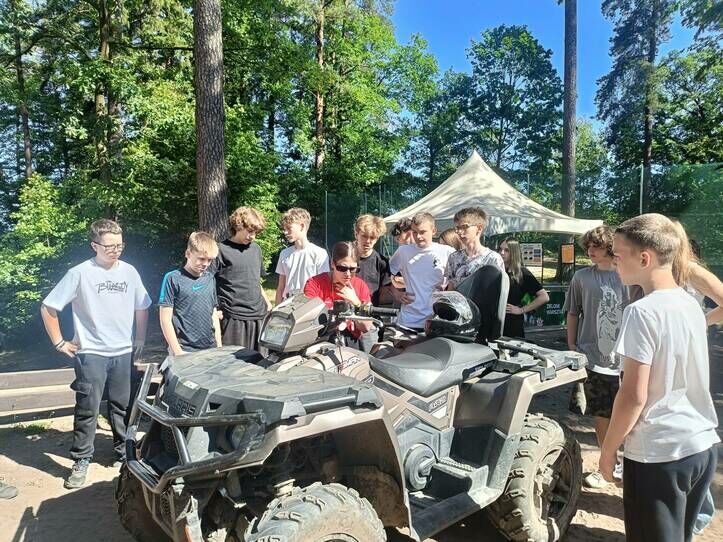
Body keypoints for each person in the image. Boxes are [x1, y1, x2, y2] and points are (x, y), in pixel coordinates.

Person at [599, 214, 718, 542]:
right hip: (700, 445)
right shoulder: (690, 305)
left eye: (618, 255)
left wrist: (608, 450)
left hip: (658, 454)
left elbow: (633, 396)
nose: (614, 262)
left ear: (644, 258)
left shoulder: (641, 311)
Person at [40, 219, 151, 489]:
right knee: (87, 408)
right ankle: (81, 459)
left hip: (122, 351)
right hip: (91, 353)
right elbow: (48, 307)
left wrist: (139, 338)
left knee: (122, 406)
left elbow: (142, 305)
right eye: (109, 246)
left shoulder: (129, 272)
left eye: (120, 245)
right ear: (94, 245)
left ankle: (124, 452)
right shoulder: (80, 273)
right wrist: (59, 342)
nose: (116, 251)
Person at [565, 225, 627, 488]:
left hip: (627, 360)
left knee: (632, 416)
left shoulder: (629, 275)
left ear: (610, 247)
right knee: (601, 414)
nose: (590, 251)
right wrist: (572, 345)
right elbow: (572, 312)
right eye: (588, 246)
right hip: (593, 358)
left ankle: (631, 466)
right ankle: (608, 464)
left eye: (597, 246)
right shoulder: (581, 277)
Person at [213, 207, 272, 350]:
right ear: (238, 225)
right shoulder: (220, 250)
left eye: (256, 233)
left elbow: (255, 280)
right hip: (233, 318)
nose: (253, 236)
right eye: (250, 231)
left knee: (260, 361)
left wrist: (268, 303)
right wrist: (213, 310)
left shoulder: (256, 249)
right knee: (234, 362)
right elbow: (209, 284)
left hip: (259, 316)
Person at [159, 232, 222, 355]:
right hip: (184, 349)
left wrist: (219, 345)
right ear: (188, 253)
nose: (206, 264)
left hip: (211, 347)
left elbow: (213, 314)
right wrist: (178, 352)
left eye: (209, 260)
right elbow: (165, 319)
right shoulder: (173, 278)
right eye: (201, 259)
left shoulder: (210, 278)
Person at [389, 212, 454, 331]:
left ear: (434, 231)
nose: (418, 236)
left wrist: (446, 294)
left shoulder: (447, 252)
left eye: (422, 232)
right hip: (408, 321)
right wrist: (397, 293)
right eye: (414, 232)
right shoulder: (403, 251)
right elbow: (387, 275)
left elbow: (456, 281)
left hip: (436, 321)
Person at [303, 241, 373, 349]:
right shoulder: (315, 284)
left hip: (350, 341)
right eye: (342, 268)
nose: (348, 274)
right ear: (333, 264)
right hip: (321, 340)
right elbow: (308, 321)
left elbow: (366, 327)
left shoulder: (360, 285)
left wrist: (356, 303)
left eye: (353, 269)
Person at [275, 208, 329, 304]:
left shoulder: (319, 253)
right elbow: (281, 287)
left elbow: (323, 287)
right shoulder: (284, 254)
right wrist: (276, 309)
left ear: (302, 226)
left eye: (289, 228)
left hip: (309, 305)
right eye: (284, 229)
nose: (285, 232)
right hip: (287, 305)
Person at [498, 237, 549, 337]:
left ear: (514, 252)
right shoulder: (496, 270)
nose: (502, 253)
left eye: (507, 250)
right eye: (500, 249)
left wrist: (521, 310)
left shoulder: (522, 273)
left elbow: (544, 297)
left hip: (512, 324)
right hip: (493, 322)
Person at [444, 207, 504, 291]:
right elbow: (451, 288)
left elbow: (498, 291)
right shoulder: (454, 257)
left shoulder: (493, 258)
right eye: (457, 228)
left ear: (479, 228)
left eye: (464, 227)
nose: (460, 232)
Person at [354, 214, 392, 307]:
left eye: (372, 237)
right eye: (364, 236)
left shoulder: (382, 262)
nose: (368, 241)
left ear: (377, 238)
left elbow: (385, 291)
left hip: (371, 310)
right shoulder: (345, 256)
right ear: (356, 234)